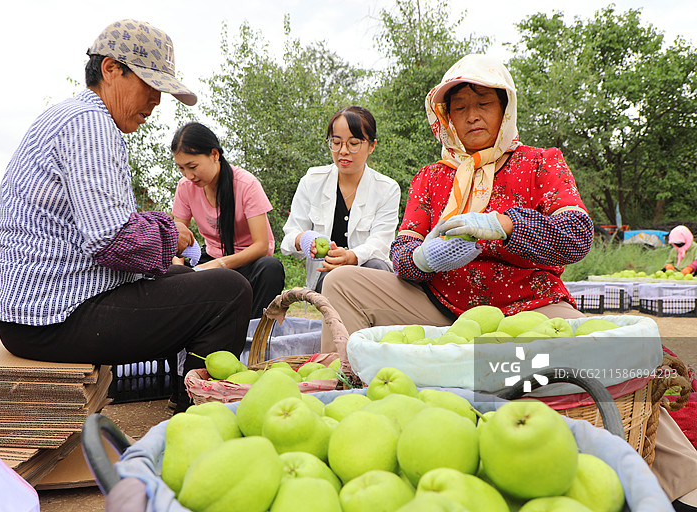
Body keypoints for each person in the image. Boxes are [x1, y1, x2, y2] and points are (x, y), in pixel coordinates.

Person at [320, 53, 697, 510]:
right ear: (445, 118)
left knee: (602, 359)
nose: (472, 115)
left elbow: (576, 238)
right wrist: (423, 258)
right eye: (459, 107)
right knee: (340, 282)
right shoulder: (431, 179)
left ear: (505, 109)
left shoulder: (541, 163)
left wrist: (507, 225)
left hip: (532, 307)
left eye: (483, 102)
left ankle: (683, 481)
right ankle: (346, 402)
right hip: (442, 306)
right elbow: (400, 256)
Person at [0, 19, 252, 414]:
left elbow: (101, 225)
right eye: (150, 85)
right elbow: (112, 239)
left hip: (32, 311)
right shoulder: (91, 125)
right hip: (53, 315)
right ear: (110, 69)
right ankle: (202, 415)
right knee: (230, 292)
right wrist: (170, 233)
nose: (156, 101)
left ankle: (185, 399)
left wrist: (161, 233)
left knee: (187, 279)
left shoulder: (68, 116)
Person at [171, 122, 285, 319]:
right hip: (211, 259)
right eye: (181, 168)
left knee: (271, 268)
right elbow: (176, 239)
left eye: (193, 166)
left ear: (214, 154)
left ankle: (254, 334)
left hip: (249, 263)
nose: (189, 176)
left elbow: (261, 245)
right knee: (168, 273)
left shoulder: (246, 185)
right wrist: (178, 269)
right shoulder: (185, 187)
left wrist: (220, 265)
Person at [280, 106, 400, 293]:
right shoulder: (312, 180)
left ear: (372, 145)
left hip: (369, 273)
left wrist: (351, 256)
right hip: (326, 275)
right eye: (336, 142)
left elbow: (381, 244)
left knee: (377, 266)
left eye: (353, 143)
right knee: (334, 279)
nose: (343, 151)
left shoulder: (387, 189)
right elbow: (289, 237)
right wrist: (303, 239)